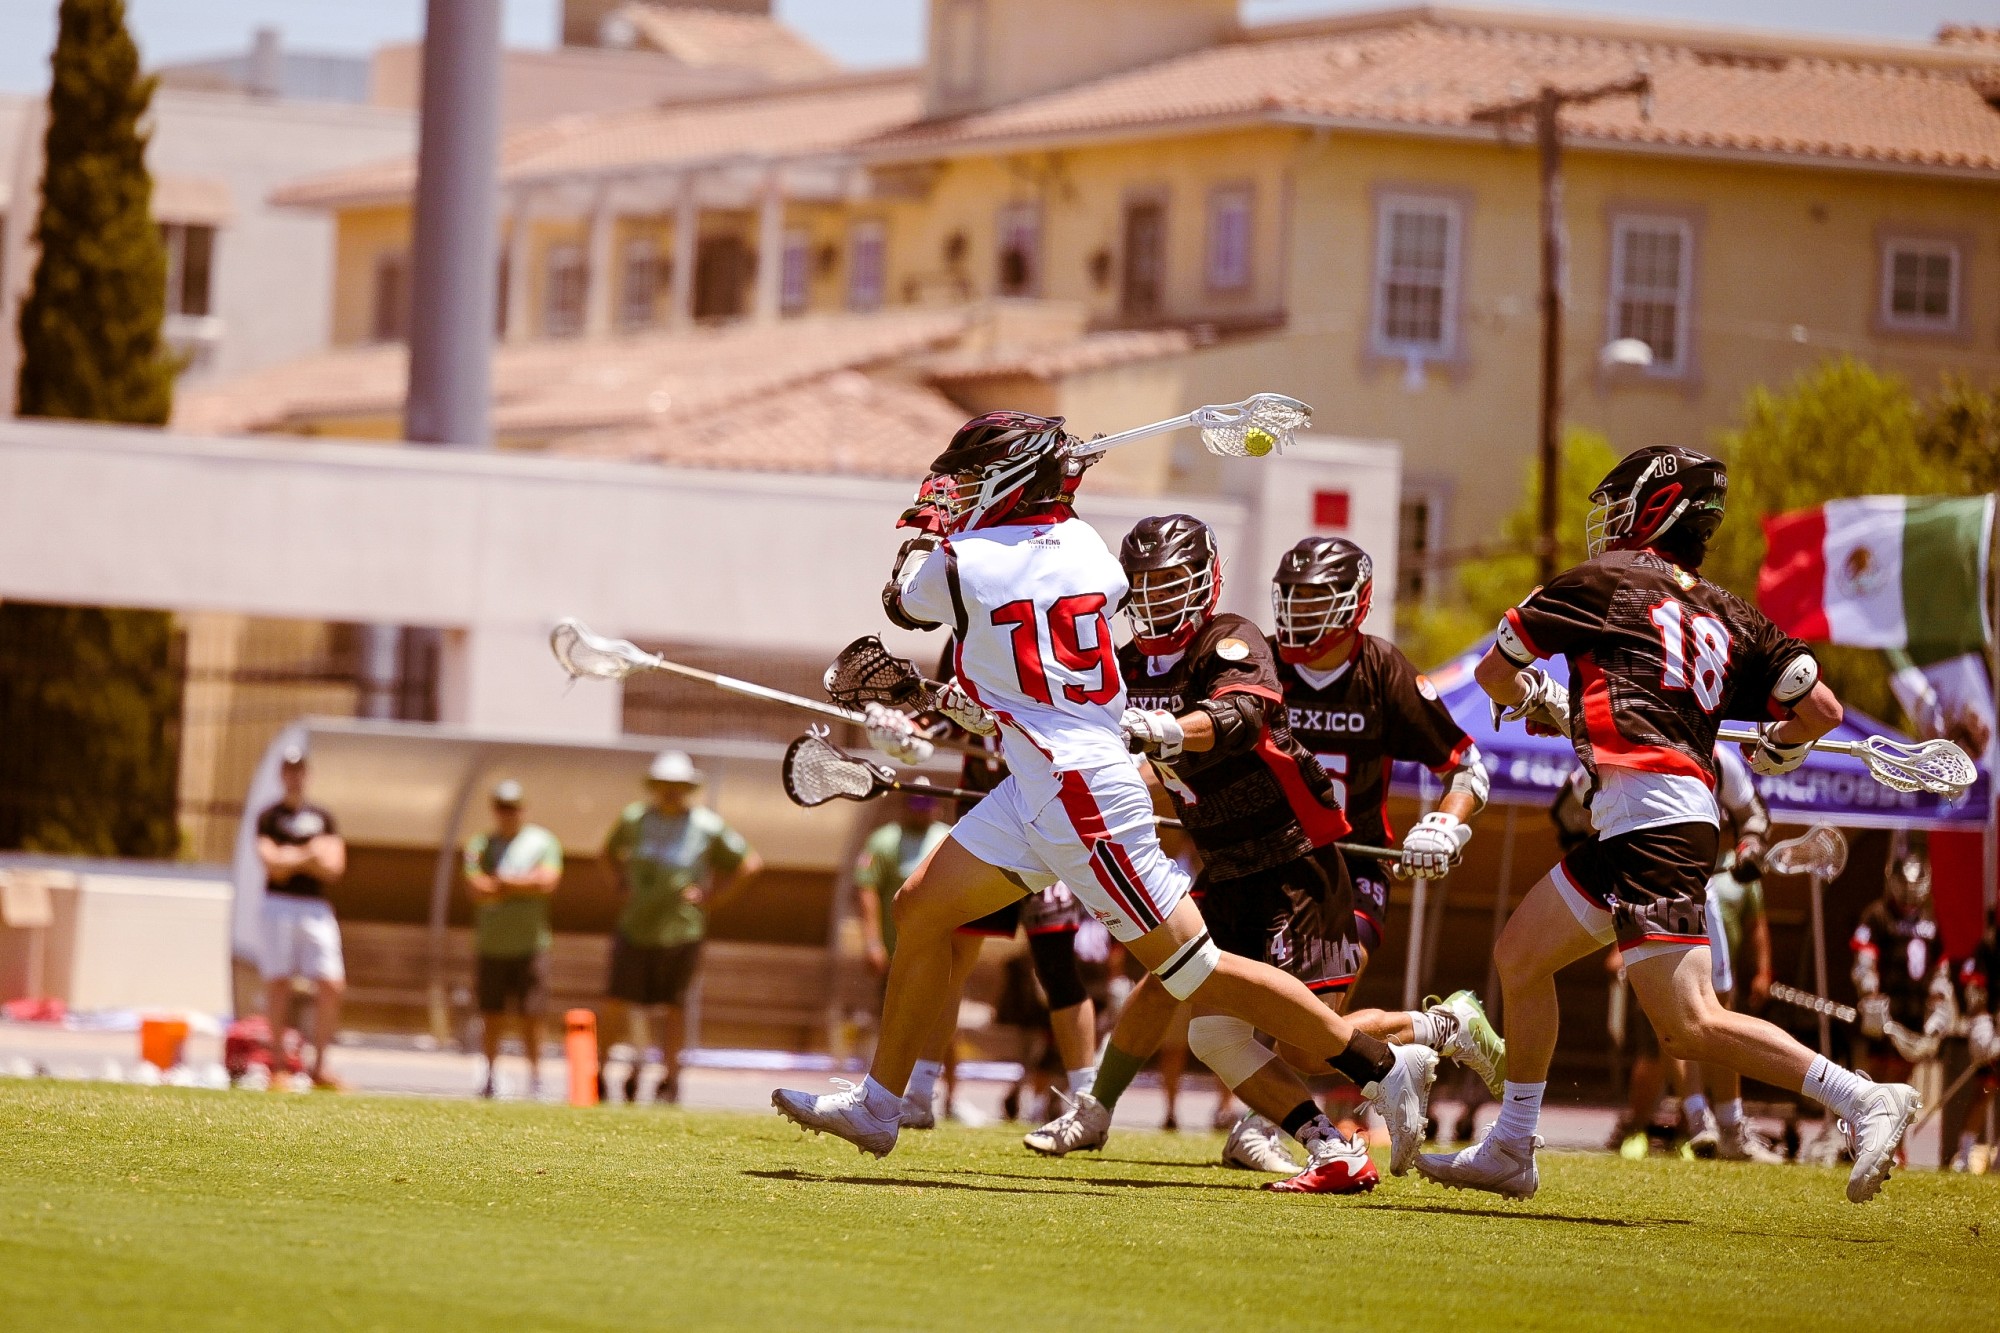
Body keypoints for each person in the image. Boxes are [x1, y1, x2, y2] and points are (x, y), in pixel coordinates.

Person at [773, 413, 1436, 1170]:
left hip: (1077, 789)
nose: (949, 497)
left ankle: (1381, 1069)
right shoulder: (1089, 548)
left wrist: (935, 529)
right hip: (1043, 774)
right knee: (921, 905)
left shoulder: (961, 560)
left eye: (964, 483)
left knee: (1195, 970)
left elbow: (903, 600)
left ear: (1007, 484)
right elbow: (1028, 646)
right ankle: (880, 1104)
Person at [1419, 444, 1919, 1204]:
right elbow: (1820, 711)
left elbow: (1493, 673)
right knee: (1521, 956)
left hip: (1652, 818)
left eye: (1620, 505)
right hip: (1648, 815)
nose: (1609, 521)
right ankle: (1513, 1142)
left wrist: (1537, 695)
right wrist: (1782, 748)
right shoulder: (1731, 609)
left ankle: (1863, 1098)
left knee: (1689, 1023)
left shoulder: (1601, 580)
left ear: (1654, 509)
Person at [1026, 517, 1497, 1189]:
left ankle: (1422, 1035)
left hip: (1318, 856)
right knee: (1185, 993)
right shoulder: (1162, 660)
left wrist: (1446, 825)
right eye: (1295, 599)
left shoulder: (1256, 649)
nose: (1303, 615)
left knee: (1303, 1036)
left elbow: (1238, 717)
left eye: (1318, 601)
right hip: (1226, 856)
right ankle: (1105, 1108)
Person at [602, 750, 761, 1104]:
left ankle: (669, 1080)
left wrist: (713, 897)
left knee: (673, 1007)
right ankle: (600, 1074)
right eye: (665, 785)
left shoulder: (706, 825)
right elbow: (608, 853)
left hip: (681, 930)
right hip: (635, 925)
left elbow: (748, 863)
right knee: (618, 1000)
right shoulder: (634, 819)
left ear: (688, 788)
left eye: (678, 786)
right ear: (655, 787)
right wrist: (620, 883)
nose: (671, 792)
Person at [463, 779, 563, 1099]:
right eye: (502, 808)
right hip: (491, 944)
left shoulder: (543, 842)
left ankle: (535, 1079)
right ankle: (490, 1075)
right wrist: (523, 885)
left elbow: (547, 882)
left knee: (532, 1014)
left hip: (530, 945)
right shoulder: (480, 844)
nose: (508, 814)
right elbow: (477, 888)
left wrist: (505, 883)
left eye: (514, 807)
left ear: (523, 809)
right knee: (491, 1014)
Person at [255, 744, 348, 1089]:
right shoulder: (269, 817)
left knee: (331, 983)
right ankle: (277, 1065)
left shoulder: (323, 818)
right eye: (289, 769)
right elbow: (272, 866)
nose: (295, 776)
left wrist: (290, 855)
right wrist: (310, 852)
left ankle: (319, 1066)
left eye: (300, 769)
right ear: (282, 774)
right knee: (278, 983)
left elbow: (334, 866)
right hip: (279, 905)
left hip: (315, 907)